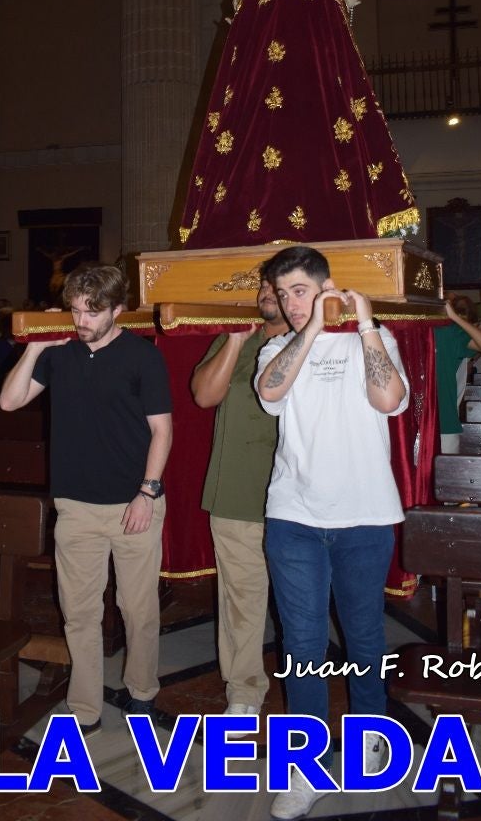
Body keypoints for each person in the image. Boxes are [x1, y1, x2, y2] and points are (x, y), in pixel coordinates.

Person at [254, 245, 409, 819]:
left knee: (365, 636)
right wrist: (312, 326)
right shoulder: (278, 347)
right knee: (302, 645)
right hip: (294, 517)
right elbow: (270, 391)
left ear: (326, 286)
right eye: (283, 292)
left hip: (365, 517)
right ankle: (305, 766)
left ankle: (372, 735)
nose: (290, 303)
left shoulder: (377, 340)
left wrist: (363, 322)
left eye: (301, 291)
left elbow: (389, 399)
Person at [0, 263, 172, 734]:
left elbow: (162, 431)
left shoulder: (142, 356)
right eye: (75, 310)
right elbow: (9, 402)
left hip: (133, 504)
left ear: (117, 310)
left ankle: (141, 692)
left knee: (138, 610)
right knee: (79, 613)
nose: (81, 321)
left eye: (92, 312)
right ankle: (84, 707)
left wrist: (146, 492)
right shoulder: (60, 355)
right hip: (75, 507)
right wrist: (36, 348)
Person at [190, 261, 288, 716]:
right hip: (236, 489)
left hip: (299, 495)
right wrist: (233, 339)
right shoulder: (237, 339)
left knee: (302, 601)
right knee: (241, 599)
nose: (268, 292)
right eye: (263, 285)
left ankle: (310, 690)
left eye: (278, 285)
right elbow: (204, 395)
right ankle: (245, 690)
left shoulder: (316, 341)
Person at [434, 295, 481, 453]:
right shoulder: (402, 328)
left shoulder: (448, 331)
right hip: (412, 421)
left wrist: (455, 318)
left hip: (444, 421)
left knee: (446, 474)